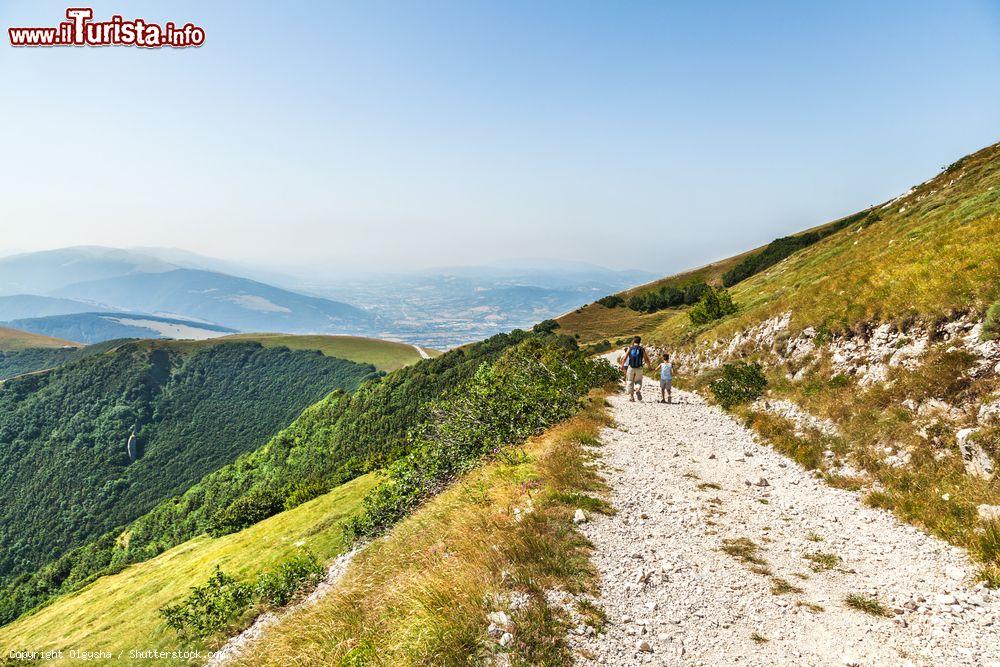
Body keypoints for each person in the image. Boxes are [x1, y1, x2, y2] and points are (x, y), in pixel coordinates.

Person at [620, 336, 651, 402]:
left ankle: (632, 397)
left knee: (630, 381)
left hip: (631, 368)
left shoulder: (630, 348)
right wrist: (649, 367)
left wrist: (622, 366)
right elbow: (646, 359)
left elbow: (624, 358)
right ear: (640, 342)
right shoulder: (642, 349)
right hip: (639, 368)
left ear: (634, 341)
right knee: (638, 381)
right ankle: (637, 389)